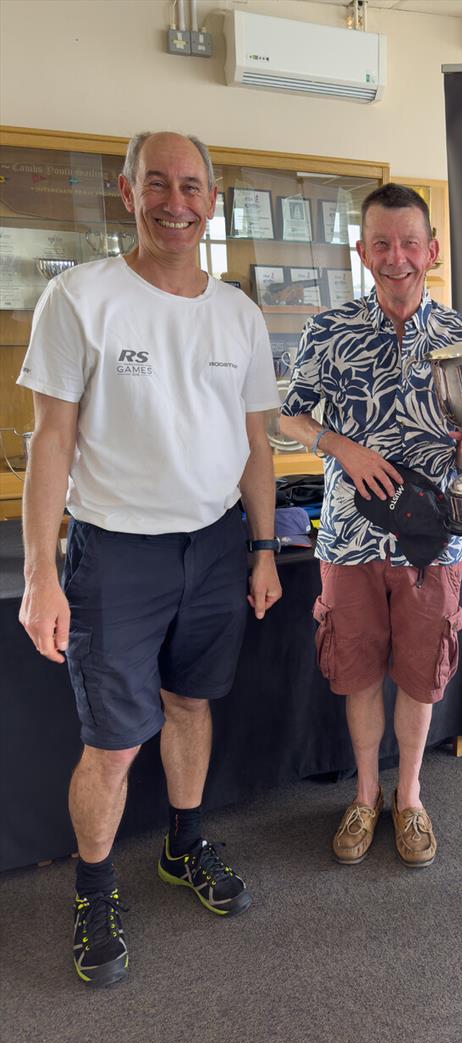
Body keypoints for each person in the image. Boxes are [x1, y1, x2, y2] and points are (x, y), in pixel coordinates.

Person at [17, 131, 282, 987]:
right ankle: (95, 889)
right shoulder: (81, 297)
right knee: (112, 743)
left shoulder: (238, 312)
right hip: (114, 554)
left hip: (212, 547)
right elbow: (50, 441)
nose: (177, 201)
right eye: (158, 184)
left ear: (213, 201)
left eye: (193, 186)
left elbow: (255, 446)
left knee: (191, 706)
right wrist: (41, 573)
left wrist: (264, 545)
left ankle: (184, 842)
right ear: (127, 194)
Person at [279, 183, 462, 868]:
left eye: (409, 243)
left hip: (434, 542)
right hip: (347, 537)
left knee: (420, 676)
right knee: (359, 674)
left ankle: (409, 797)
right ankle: (365, 795)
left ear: (431, 250)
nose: (396, 256)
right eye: (382, 243)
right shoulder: (327, 330)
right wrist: (341, 446)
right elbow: (286, 415)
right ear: (362, 250)